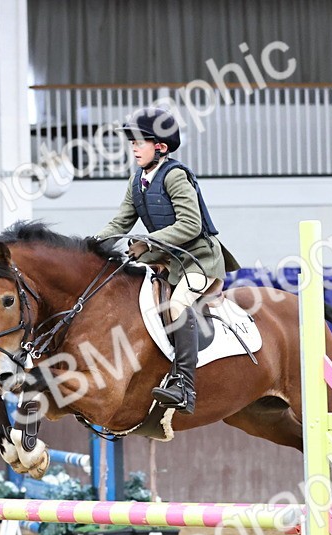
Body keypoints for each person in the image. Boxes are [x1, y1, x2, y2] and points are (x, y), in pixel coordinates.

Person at [96, 107, 237, 415]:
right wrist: (92, 243)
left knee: (177, 305)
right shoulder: (137, 181)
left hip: (198, 259)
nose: (133, 147)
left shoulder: (175, 176)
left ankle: (185, 385)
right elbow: (120, 222)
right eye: (131, 141)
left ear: (159, 146)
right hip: (167, 259)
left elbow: (190, 224)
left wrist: (147, 242)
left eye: (139, 141)